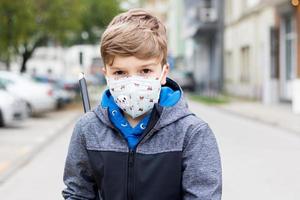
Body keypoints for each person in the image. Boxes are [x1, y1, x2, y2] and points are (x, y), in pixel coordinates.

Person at [62, 8, 222, 200]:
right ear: (107, 75)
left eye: (145, 70)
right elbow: (77, 194)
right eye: (120, 72)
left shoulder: (192, 134)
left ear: (163, 73)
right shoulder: (87, 129)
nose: (132, 82)